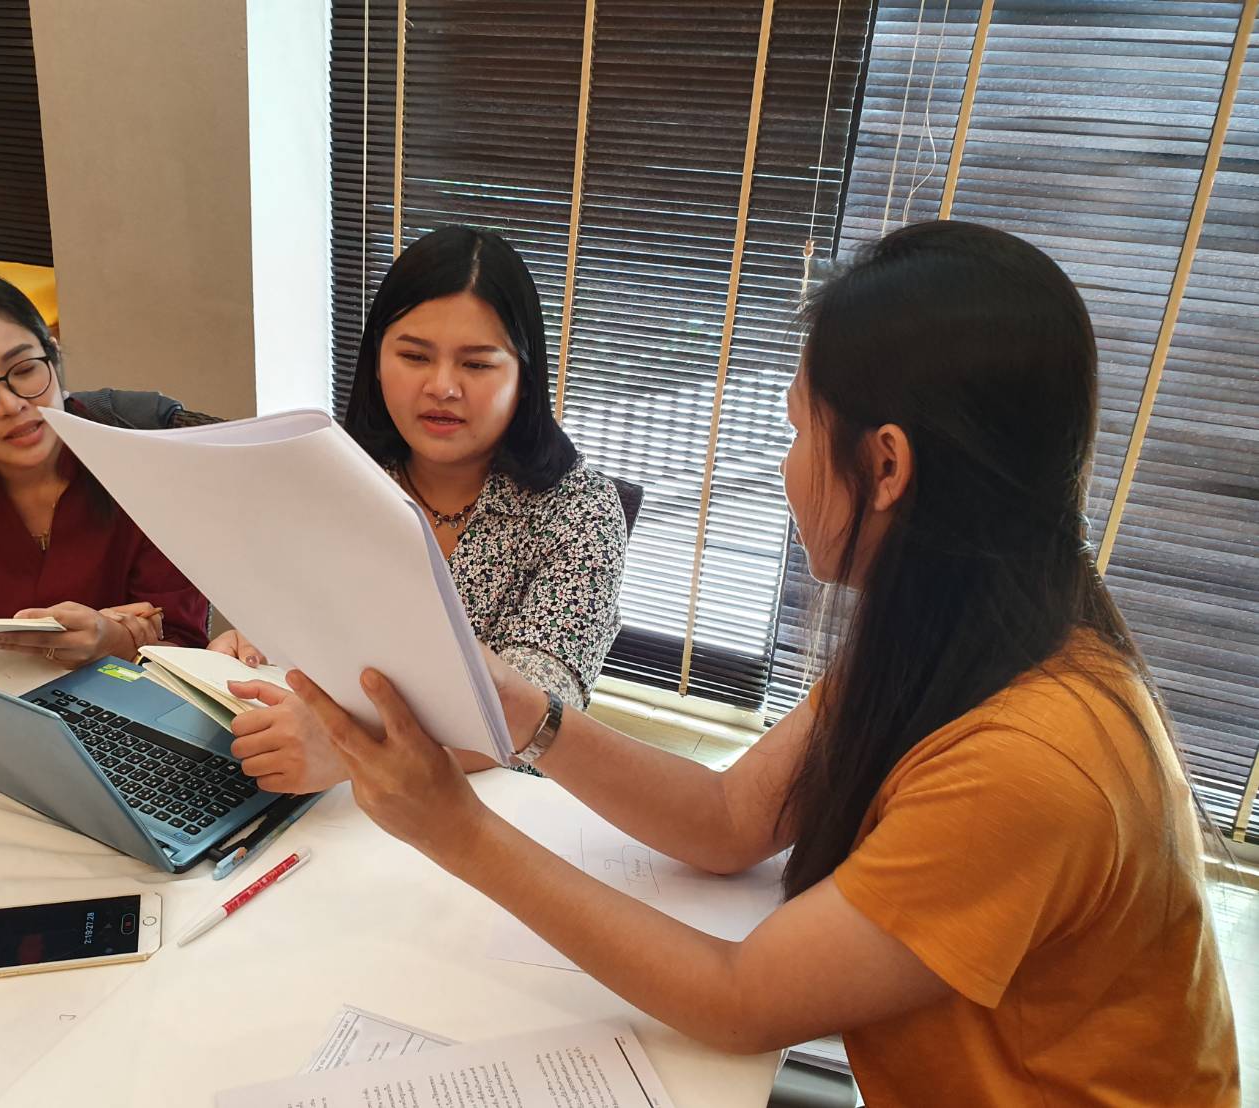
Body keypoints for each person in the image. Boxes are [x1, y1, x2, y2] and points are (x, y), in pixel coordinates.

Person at [279, 222, 1239, 1105]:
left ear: (886, 466)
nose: (784, 466)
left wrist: (456, 831)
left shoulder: (1029, 760)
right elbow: (730, 821)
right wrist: (531, 711)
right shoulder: (959, 638)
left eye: (795, 429)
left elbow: (739, 1001)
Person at [220, 226, 628, 792]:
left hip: (483, 808)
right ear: (376, 361)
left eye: (477, 365)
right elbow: (295, 622)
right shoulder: (335, 477)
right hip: (314, 793)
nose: (442, 387)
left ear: (524, 376)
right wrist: (252, 645)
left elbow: (537, 723)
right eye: (414, 356)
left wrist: (351, 751)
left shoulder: (579, 512)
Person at [0, 272, 210, 667]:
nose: (11, 404)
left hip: (133, 700)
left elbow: (187, 650)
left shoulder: (143, 469)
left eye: (24, 369)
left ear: (53, 354)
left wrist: (116, 642)